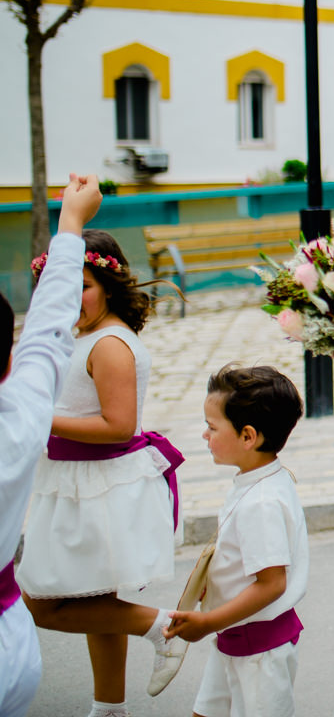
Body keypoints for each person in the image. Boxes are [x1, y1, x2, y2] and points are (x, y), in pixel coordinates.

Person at [19, 229, 188, 715]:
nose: (73, 299)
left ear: (109, 283)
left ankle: (162, 627)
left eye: (83, 286)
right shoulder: (87, 336)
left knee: (42, 602)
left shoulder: (111, 344)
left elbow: (118, 426)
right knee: (96, 601)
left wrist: (34, 413)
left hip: (97, 486)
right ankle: (109, 707)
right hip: (76, 482)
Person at [0, 174, 101, 717]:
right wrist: (70, 225)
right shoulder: (22, 412)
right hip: (12, 651)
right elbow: (46, 333)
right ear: (7, 364)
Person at [166, 365, 307, 717]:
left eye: (212, 427)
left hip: (259, 651)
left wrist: (208, 623)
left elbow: (272, 584)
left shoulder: (261, 502)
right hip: (235, 638)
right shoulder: (261, 479)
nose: (204, 435)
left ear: (248, 436)